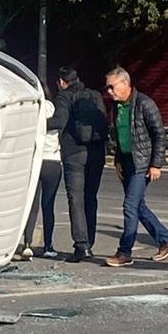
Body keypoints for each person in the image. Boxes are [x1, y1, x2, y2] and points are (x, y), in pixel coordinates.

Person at [103, 67, 168, 267]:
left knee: (130, 206)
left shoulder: (145, 104)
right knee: (138, 206)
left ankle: (124, 252)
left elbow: (159, 135)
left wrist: (156, 164)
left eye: (112, 87)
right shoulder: (117, 107)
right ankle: (166, 241)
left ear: (125, 83)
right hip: (128, 162)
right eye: (108, 88)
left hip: (142, 163)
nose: (109, 92)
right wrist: (118, 162)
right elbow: (121, 137)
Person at [47, 65, 109, 263]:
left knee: (76, 198)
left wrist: (37, 122)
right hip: (96, 153)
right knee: (90, 197)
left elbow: (59, 121)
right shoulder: (94, 95)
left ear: (62, 82)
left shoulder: (64, 96)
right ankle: (90, 242)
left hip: (74, 153)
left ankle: (81, 246)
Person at [20, 96, 63, 260]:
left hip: (35, 160)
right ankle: (48, 245)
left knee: (32, 204)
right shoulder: (55, 110)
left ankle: (27, 244)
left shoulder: (31, 109)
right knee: (48, 205)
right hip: (52, 160)